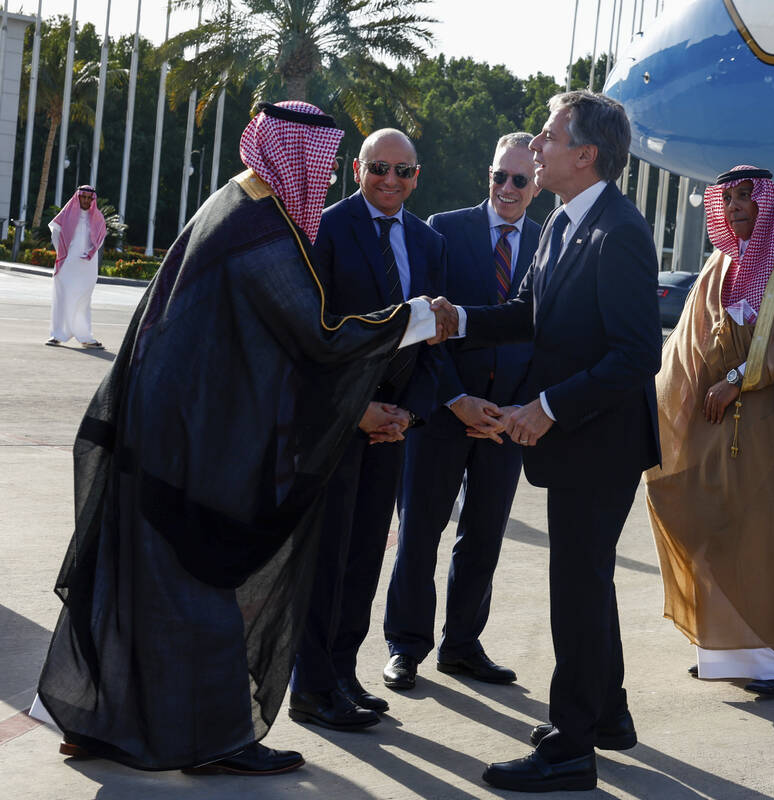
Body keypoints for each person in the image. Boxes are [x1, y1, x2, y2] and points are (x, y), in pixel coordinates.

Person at [35, 101, 453, 776]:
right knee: (203, 591)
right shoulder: (258, 225)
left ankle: (102, 723)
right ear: (295, 156)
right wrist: (409, 320)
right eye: (319, 166)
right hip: (189, 441)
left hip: (173, 428)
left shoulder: (237, 203)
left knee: (145, 584)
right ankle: (218, 741)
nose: (318, 185)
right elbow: (315, 335)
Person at [435, 90, 661, 793]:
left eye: (549, 133)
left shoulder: (619, 232)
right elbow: (525, 314)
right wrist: (458, 321)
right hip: (576, 439)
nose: (535, 143)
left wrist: (548, 408)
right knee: (587, 582)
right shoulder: (564, 224)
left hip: (601, 442)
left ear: (585, 154)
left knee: (576, 587)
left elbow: (634, 356)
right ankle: (609, 717)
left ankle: (571, 749)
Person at [644, 166, 774, 697]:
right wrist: (659, 406)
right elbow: (686, 347)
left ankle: (771, 663)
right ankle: (721, 649)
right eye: (726, 199)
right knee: (712, 532)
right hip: (711, 428)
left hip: (767, 427)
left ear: (769, 202)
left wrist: (737, 379)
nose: (735, 207)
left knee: (763, 541)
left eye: (746, 197)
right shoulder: (718, 263)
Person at [288, 128, 448, 730]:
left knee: (363, 556)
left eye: (403, 171)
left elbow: (433, 337)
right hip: (337, 422)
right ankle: (310, 686)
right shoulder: (326, 229)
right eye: (379, 167)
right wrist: (357, 408)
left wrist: (410, 412)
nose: (390, 180)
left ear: (417, 177)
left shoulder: (429, 244)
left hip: (393, 428)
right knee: (327, 556)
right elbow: (311, 332)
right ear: (358, 167)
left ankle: (342, 672)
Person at [380, 132, 541, 691]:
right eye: (500, 175)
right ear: (488, 175)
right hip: (443, 409)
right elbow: (427, 324)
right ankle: (406, 646)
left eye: (520, 179)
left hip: (508, 419)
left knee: (484, 535)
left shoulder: (551, 243)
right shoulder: (445, 229)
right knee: (419, 531)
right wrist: (455, 398)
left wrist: (519, 407)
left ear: (536, 184)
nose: (507, 188)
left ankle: (463, 644)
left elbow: (546, 333)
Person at [46, 185, 106, 349]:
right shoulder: (66, 214)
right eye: (83, 197)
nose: (86, 200)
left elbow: (100, 240)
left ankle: (85, 336)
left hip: (87, 265)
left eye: (89, 198)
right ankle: (56, 335)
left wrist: (89, 253)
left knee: (83, 300)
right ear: (78, 197)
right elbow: (55, 232)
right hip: (67, 263)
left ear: (93, 200)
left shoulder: (98, 218)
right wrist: (62, 253)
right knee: (62, 297)